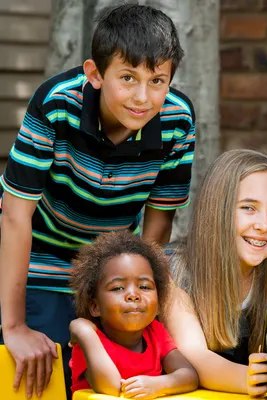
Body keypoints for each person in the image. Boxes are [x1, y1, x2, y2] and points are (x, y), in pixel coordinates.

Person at [0, 4, 195, 398]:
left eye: (157, 80)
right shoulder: (57, 104)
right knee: (41, 367)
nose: (143, 97)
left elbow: (159, 222)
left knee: (119, 376)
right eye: (127, 78)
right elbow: (15, 217)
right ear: (95, 74)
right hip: (37, 255)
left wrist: (142, 298)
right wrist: (15, 326)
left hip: (110, 268)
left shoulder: (178, 121)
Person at [163, 149, 267, 397]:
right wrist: (254, 380)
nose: (263, 225)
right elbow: (195, 356)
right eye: (249, 207)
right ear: (218, 210)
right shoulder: (175, 275)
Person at [68, 231, 198, 397]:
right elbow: (111, 389)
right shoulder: (90, 341)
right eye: (118, 288)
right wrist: (84, 332)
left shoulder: (155, 332)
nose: (133, 295)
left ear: (159, 304)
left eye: (144, 287)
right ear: (95, 307)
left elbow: (189, 375)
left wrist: (159, 385)